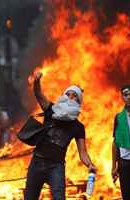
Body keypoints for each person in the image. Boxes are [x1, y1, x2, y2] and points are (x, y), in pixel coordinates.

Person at [24, 72, 97, 200]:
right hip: (37, 162)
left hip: (55, 167)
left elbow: (83, 151)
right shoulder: (52, 110)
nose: (70, 97)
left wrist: (89, 164)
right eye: (68, 94)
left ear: (79, 101)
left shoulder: (78, 127)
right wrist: (37, 82)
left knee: (59, 198)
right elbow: (39, 95)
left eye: (74, 96)